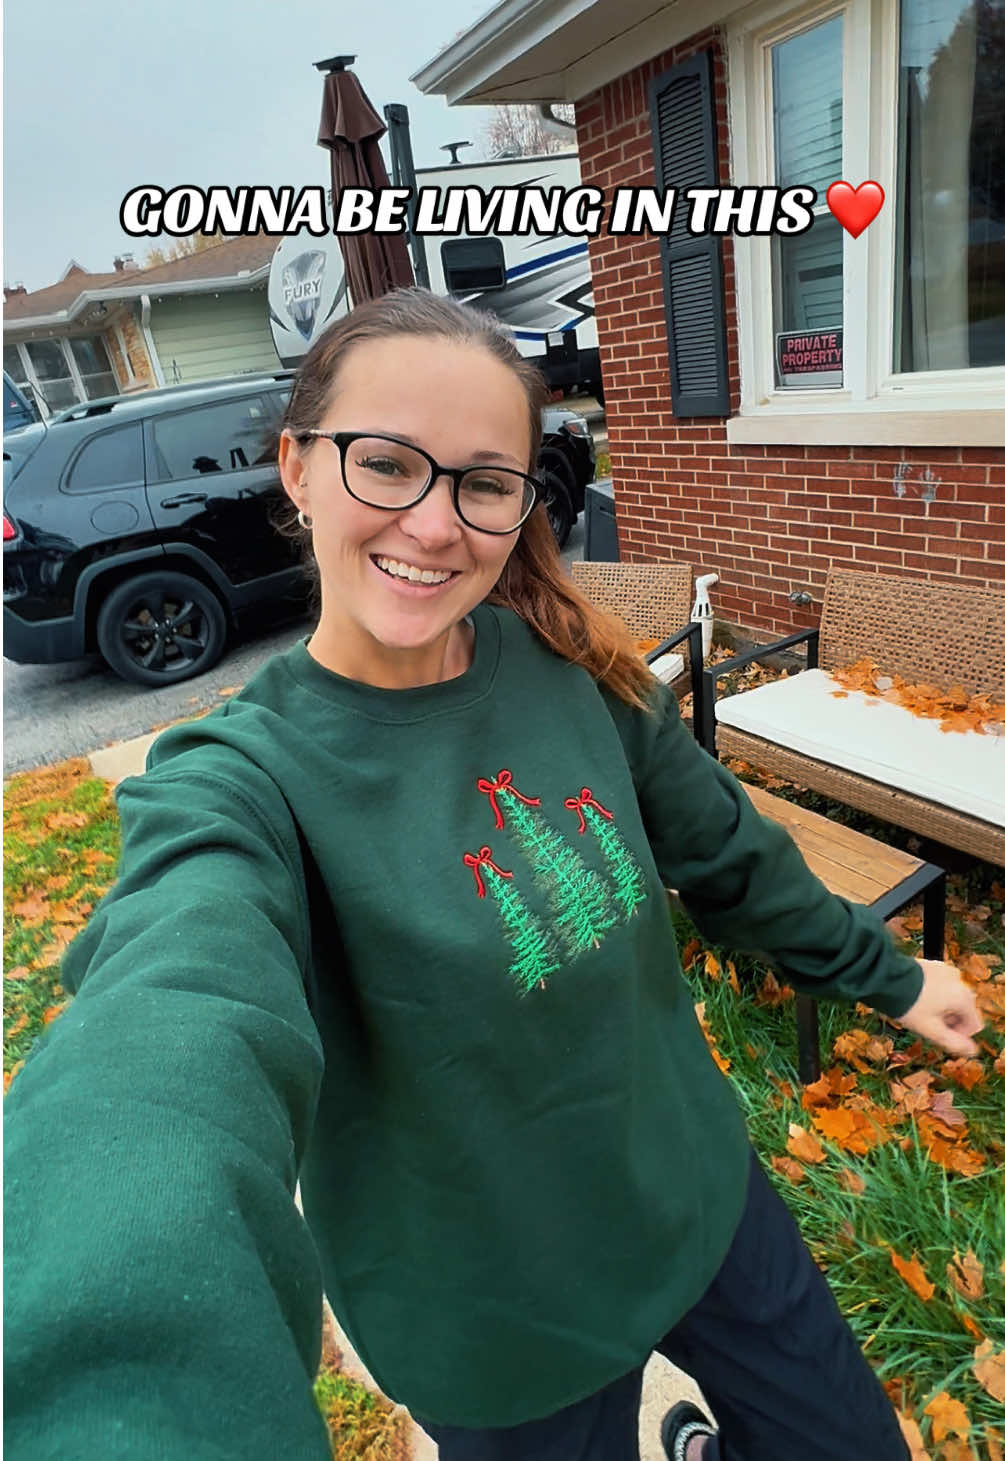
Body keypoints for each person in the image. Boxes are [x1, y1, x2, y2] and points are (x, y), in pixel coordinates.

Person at [4, 288, 982, 1461]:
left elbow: (725, 853)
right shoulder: (239, 780)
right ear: (297, 469)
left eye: (481, 482)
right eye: (385, 464)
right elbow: (168, 1021)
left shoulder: (575, 673)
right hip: (496, 1325)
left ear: (521, 504)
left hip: (695, 1203)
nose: (432, 523)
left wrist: (885, 974)